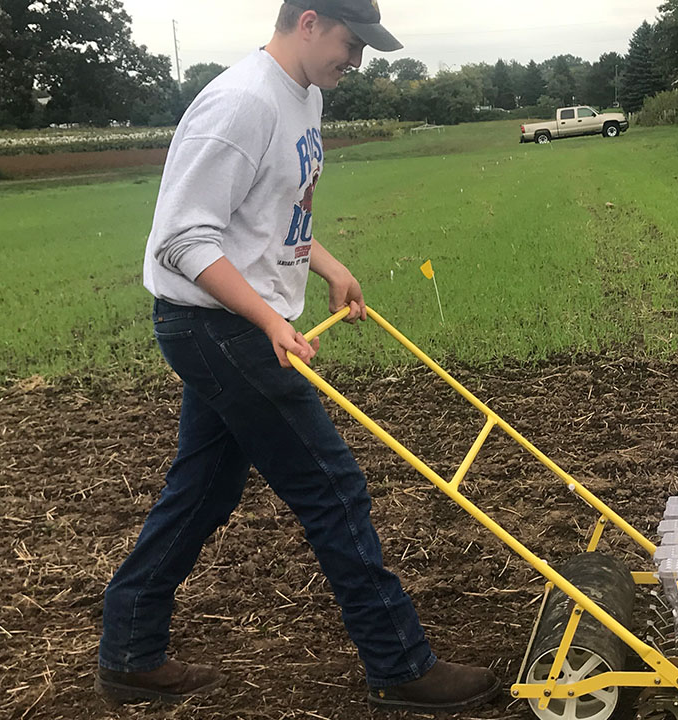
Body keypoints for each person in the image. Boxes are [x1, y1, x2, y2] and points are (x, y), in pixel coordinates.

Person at [95, 1, 500, 713]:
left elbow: (274, 215)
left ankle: (129, 652)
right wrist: (267, 321)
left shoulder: (305, 95)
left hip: (237, 323)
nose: (359, 61)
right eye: (352, 43)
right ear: (308, 21)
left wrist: (328, 265)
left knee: (203, 491)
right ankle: (401, 666)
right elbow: (183, 242)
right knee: (332, 486)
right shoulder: (241, 104)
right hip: (215, 326)